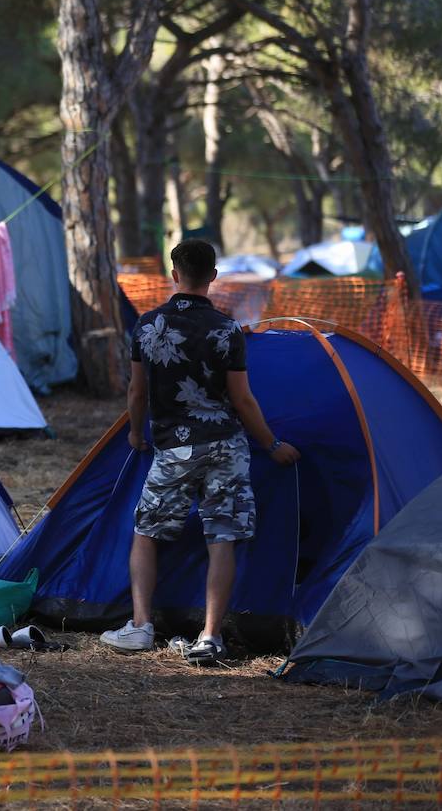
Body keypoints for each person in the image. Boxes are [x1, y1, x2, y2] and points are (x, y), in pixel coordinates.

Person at [102, 239, 300, 666]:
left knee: (147, 533)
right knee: (222, 537)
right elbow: (243, 401)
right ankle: (210, 636)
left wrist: (137, 434)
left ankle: (139, 625)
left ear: (174, 274)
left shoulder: (148, 326)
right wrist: (273, 445)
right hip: (226, 447)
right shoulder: (227, 330)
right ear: (213, 276)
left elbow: (137, 392)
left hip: (173, 448)